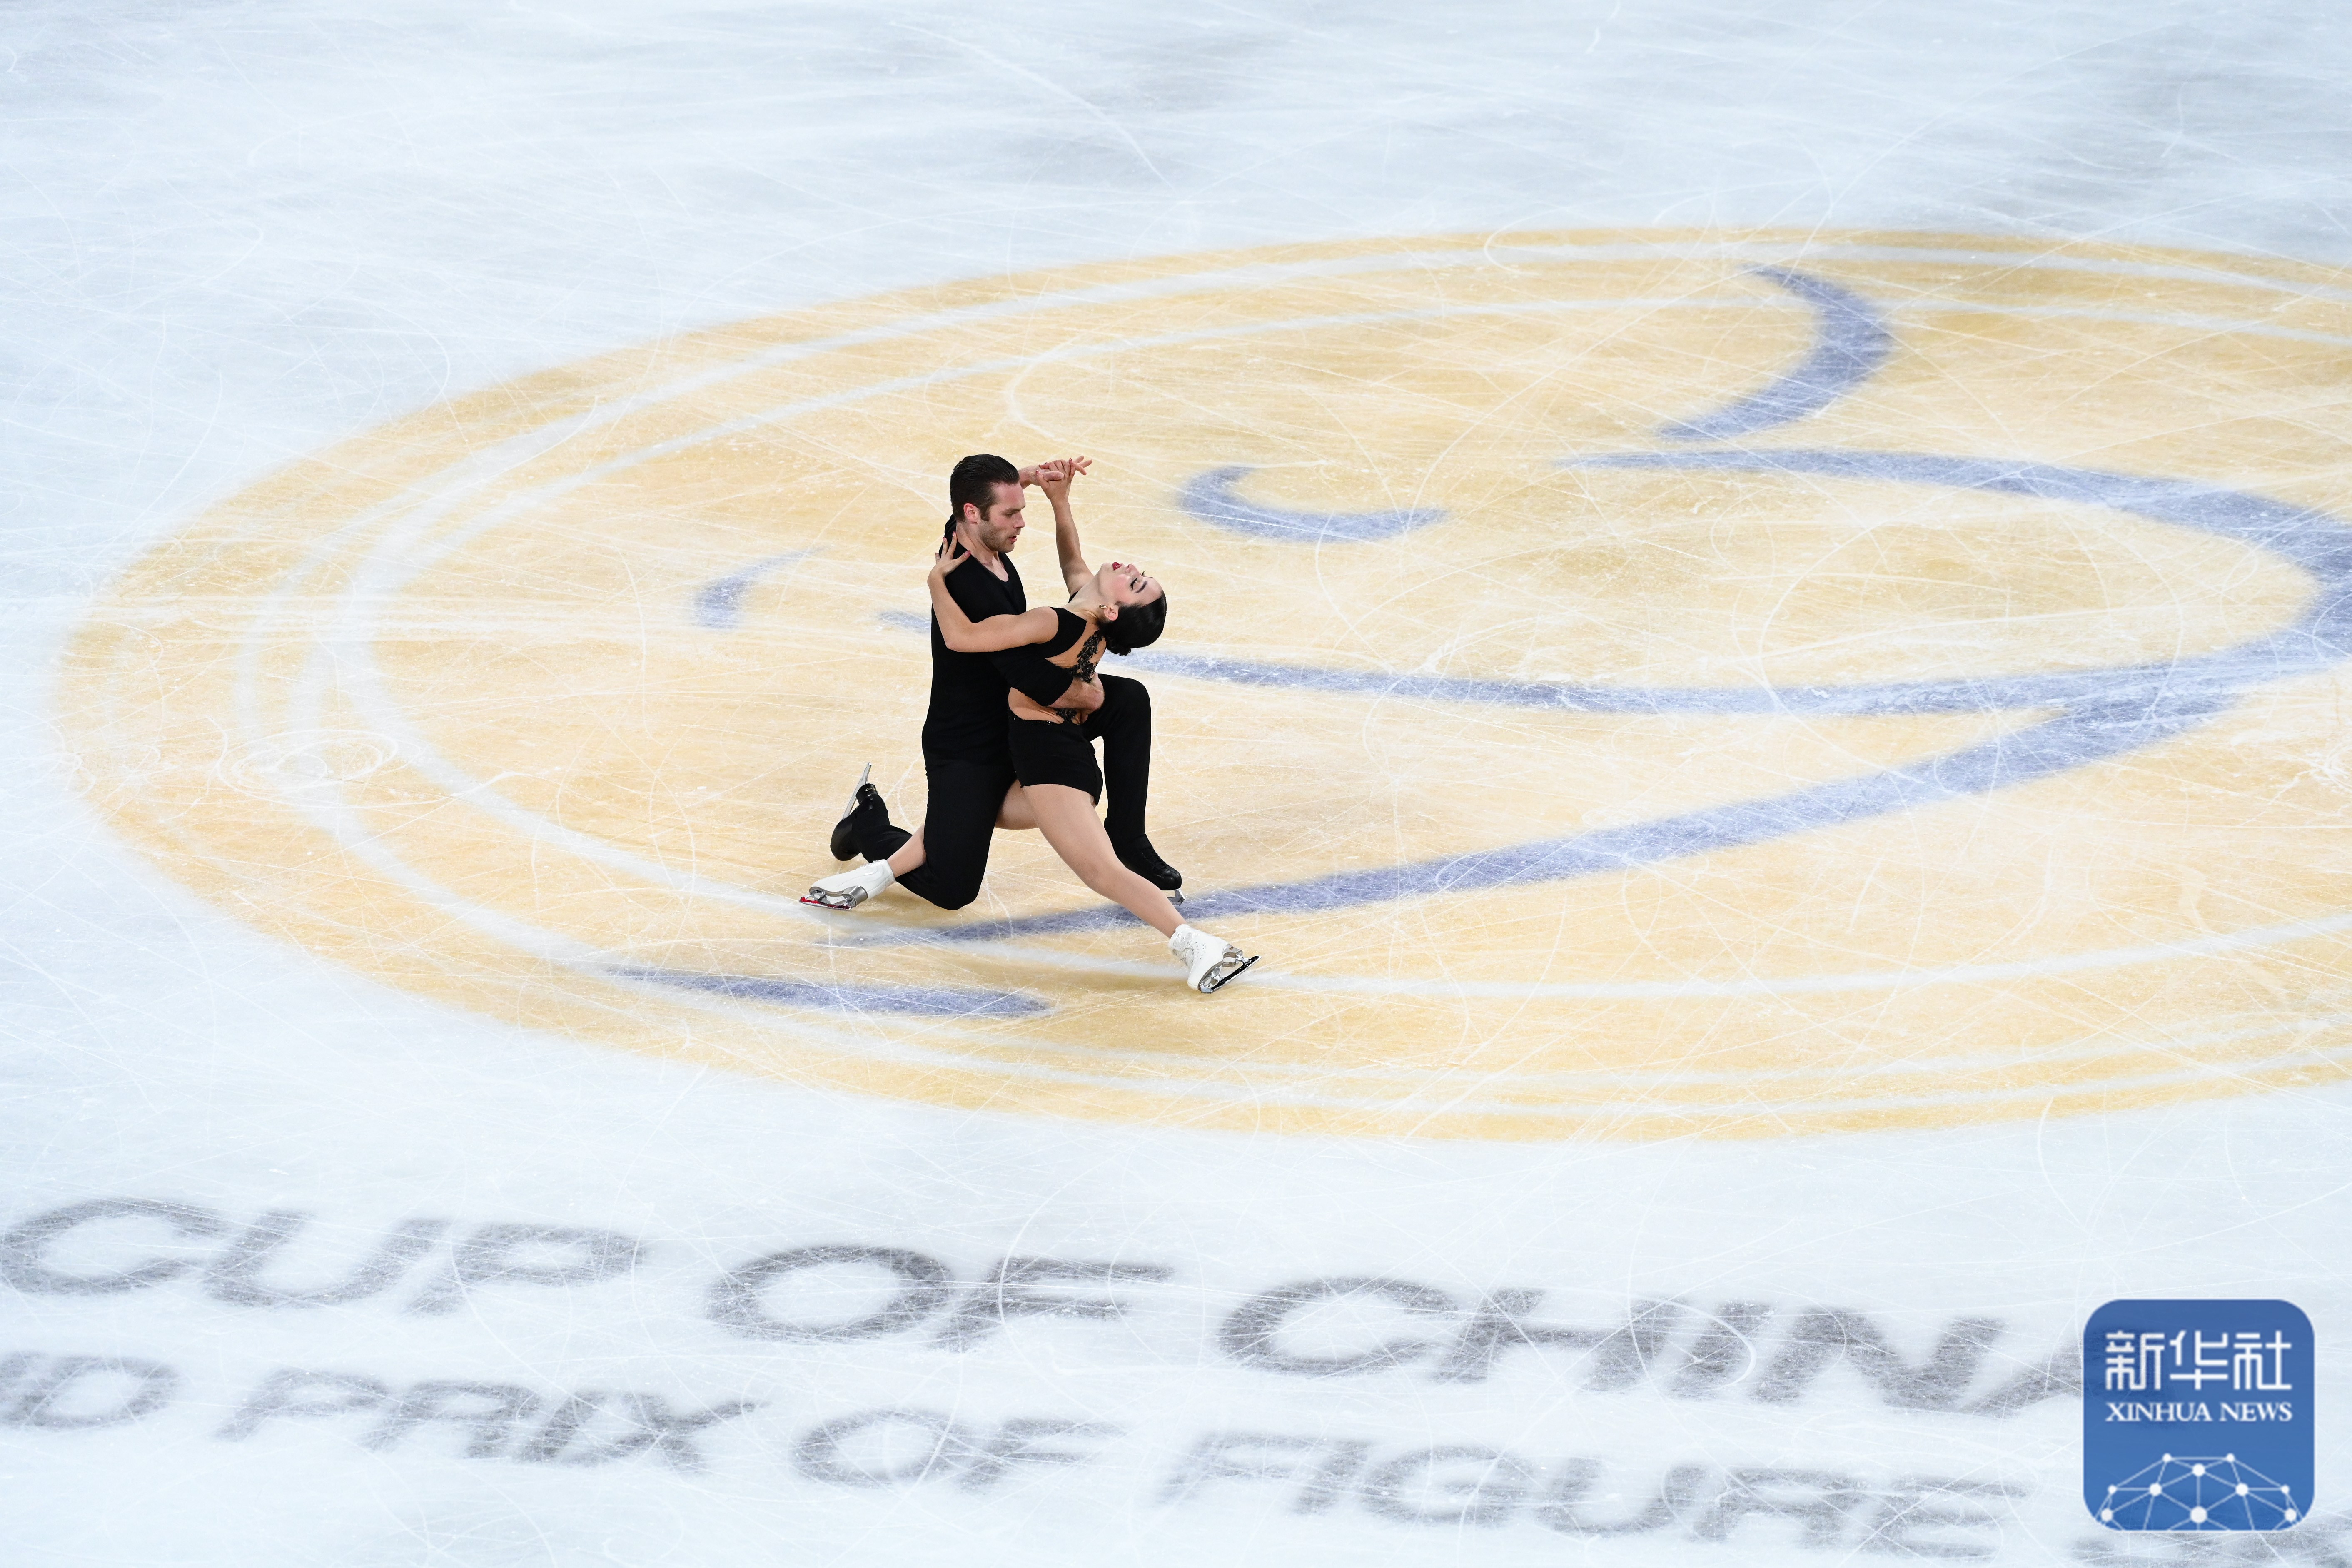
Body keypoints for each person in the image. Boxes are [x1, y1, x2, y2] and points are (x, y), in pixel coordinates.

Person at [804, 457, 1182, 908]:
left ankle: (1127, 835)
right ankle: (867, 824)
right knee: (952, 887)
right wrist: (1082, 693)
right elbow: (1021, 671)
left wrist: (1032, 484)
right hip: (969, 741)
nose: (1021, 523)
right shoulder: (965, 580)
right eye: (1010, 513)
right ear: (973, 514)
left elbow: (1068, 562)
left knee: (1129, 700)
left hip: (1013, 716)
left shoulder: (982, 541)